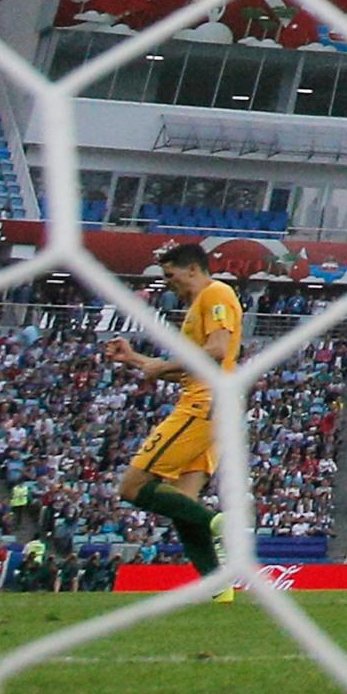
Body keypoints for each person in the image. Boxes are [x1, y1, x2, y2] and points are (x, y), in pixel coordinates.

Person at [106, 243, 241, 602]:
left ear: (193, 269)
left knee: (132, 486)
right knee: (183, 503)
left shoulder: (216, 293)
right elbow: (188, 370)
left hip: (203, 404)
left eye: (171, 275)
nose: (169, 284)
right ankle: (219, 588)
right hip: (213, 403)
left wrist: (161, 366)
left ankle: (219, 523)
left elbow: (217, 350)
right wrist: (135, 359)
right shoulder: (198, 306)